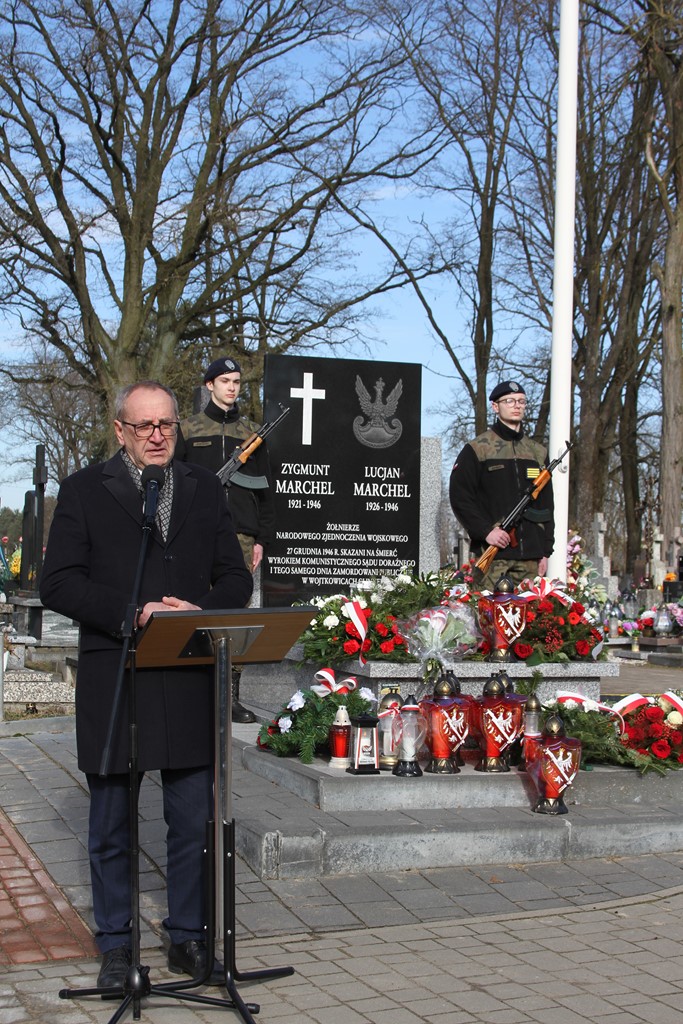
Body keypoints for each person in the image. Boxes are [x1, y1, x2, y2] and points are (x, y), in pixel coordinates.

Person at [39, 381, 253, 991]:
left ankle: (187, 936)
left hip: (186, 673)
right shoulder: (84, 490)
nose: (157, 436)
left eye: (166, 425)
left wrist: (200, 609)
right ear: (120, 430)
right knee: (112, 825)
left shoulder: (205, 488)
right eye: (144, 426)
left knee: (191, 821)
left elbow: (235, 578)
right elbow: (59, 583)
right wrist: (132, 612)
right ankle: (116, 945)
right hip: (117, 677)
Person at [176, 356, 275, 723]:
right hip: (196, 532)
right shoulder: (188, 430)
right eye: (225, 381)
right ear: (210, 386)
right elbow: (175, 482)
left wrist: (262, 538)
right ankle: (194, 689)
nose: (232, 387)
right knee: (196, 606)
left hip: (242, 535)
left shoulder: (252, 433)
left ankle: (230, 695)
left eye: (236, 381)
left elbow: (266, 490)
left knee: (237, 614)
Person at [449, 379, 554, 590]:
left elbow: (546, 505)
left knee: (530, 611)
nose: (517, 406)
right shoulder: (478, 449)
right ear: (495, 407)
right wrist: (486, 532)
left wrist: (545, 551)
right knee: (487, 609)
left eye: (521, 401)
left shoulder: (537, 452)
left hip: (531, 557)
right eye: (509, 401)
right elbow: (460, 497)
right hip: (494, 554)